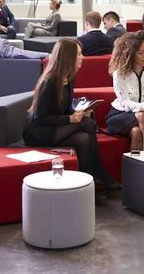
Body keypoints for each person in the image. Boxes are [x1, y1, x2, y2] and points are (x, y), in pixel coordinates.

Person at [22, 38, 119, 202]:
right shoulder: (50, 82)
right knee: (87, 125)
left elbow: (66, 109)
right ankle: (99, 175)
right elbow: (39, 119)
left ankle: (88, 188)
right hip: (38, 132)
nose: (82, 57)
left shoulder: (70, 78)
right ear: (68, 57)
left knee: (83, 139)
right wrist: (70, 118)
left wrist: (78, 113)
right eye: (79, 54)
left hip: (54, 127)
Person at [105, 31, 144, 151]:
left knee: (136, 132)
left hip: (139, 119)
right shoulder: (120, 73)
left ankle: (135, 169)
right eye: (141, 53)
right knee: (141, 114)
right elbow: (125, 103)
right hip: (119, 115)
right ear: (131, 54)